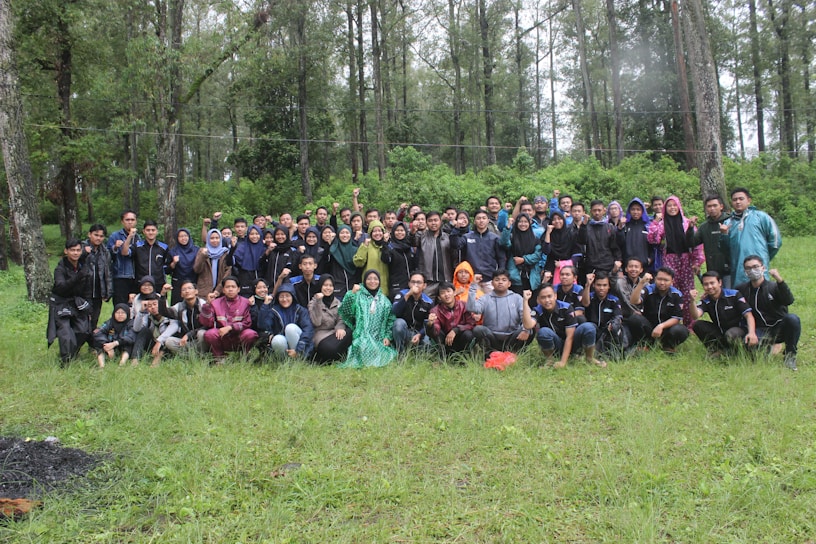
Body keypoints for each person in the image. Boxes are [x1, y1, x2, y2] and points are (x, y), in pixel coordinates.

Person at [647, 195, 704, 326]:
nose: (672, 208)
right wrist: (655, 223)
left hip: (686, 259)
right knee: (671, 289)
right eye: (669, 206)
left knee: (687, 291)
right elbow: (653, 239)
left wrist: (697, 262)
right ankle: (672, 321)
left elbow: (696, 244)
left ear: (679, 207)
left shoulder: (686, 222)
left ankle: (689, 324)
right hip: (669, 259)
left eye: (674, 205)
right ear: (665, 208)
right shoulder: (662, 224)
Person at [736, 255, 800, 370]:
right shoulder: (742, 289)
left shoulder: (774, 287)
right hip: (758, 330)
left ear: (763, 268)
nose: (752, 270)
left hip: (778, 328)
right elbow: (727, 298)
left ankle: (790, 355)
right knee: (755, 355)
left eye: (755, 267)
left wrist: (780, 280)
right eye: (748, 268)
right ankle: (769, 347)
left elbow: (789, 300)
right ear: (745, 271)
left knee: (793, 319)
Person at [523, 284, 605, 369]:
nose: (547, 300)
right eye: (543, 297)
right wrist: (525, 301)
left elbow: (570, 337)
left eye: (549, 296)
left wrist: (563, 362)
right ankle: (550, 360)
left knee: (588, 327)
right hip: (556, 344)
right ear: (539, 299)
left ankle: (589, 358)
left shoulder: (566, 307)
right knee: (543, 332)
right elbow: (528, 325)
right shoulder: (537, 310)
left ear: (555, 296)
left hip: (573, 342)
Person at [721, 187, 782, 286]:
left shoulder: (761, 217)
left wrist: (764, 257)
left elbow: (775, 241)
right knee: (740, 296)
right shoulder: (728, 222)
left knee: (761, 293)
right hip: (738, 269)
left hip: (758, 266)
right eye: (735, 200)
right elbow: (725, 250)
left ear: (749, 201)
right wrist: (724, 234)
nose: (738, 202)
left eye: (741, 199)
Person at [338, 270, 397, 368]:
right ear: (364, 281)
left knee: (385, 353)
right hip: (362, 335)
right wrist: (351, 294)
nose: (372, 281)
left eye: (375, 279)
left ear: (379, 281)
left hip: (379, 337)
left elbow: (390, 320)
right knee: (362, 346)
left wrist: (387, 336)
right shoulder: (358, 296)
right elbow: (345, 311)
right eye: (369, 279)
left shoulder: (385, 300)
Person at [47, 239, 93, 365]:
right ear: (66, 251)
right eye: (72, 250)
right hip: (60, 302)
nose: (75, 253)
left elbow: (87, 289)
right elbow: (61, 287)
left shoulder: (83, 266)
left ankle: (71, 354)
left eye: (78, 250)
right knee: (65, 332)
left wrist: (89, 305)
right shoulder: (60, 268)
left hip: (77, 301)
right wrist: (78, 277)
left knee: (83, 331)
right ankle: (66, 363)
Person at [466, 269, 533, 356]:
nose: (500, 282)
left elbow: (526, 317)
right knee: (478, 329)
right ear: (492, 283)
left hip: (512, 336)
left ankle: (515, 351)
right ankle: (490, 351)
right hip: (492, 337)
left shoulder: (517, 298)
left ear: (509, 283)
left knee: (530, 328)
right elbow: (471, 308)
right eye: (497, 280)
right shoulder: (486, 298)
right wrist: (473, 286)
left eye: (504, 280)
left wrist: (525, 330)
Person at [690, 271, 757, 356]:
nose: (709, 287)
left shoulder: (734, 295)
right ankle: (717, 350)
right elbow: (695, 316)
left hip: (738, 330)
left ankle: (735, 352)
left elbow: (748, 315)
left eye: (712, 283)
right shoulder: (706, 300)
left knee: (730, 334)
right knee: (697, 325)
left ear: (720, 282)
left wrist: (752, 333)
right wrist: (691, 301)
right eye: (706, 284)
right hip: (720, 331)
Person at [628, 267, 690, 354]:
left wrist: (661, 326)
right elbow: (633, 301)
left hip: (666, 328)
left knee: (682, 330)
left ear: (672, 282)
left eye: (666, 280)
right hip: (649, 327)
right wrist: (641, 282)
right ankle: (646, 344)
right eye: (659, 279)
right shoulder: (649, 289)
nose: (662, 283)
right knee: (634, 318)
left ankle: (668, 346)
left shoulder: (677, 294)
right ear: (655, 279)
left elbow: (676, 318)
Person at [200, 276, 259, 363]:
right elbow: (207, 323)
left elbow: (247, 323)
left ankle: (244, 357)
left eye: (233, 287)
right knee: (210, 334)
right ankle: (219, 358)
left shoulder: (245, 302)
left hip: (238, 335)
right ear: (223, 290)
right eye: (227, 287)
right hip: (222, 336)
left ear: (238, 289)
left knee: (250, 334)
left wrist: (231, 327)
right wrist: (208, 305)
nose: (230, 289)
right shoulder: (215, 303)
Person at [259, 283, 314, 359]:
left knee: (290, 328)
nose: (284, 299)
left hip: (299, 346)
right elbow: (262, 325)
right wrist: (265, 305)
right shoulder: (274, 310)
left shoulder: (300, 310)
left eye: (287, 296)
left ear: (293, 296)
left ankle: (297, 357)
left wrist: (298, 349)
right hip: (282, 341)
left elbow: (308, 330)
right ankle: (284, 361)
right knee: (277, 339)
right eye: (281, 296)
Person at [686, 196, 731, 288]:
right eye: (709, 206)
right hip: (713, 269)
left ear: (721, 206)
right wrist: (690, 229)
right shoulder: (704, 227)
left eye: (715, 205)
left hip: (730, 269)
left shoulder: (730, 222)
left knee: (729, 296)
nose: (712, 209)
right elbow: (692, 243)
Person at [581, 272, 628, 359]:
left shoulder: (614, 300)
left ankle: (614, 352)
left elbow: (618, 317)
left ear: (609, 286)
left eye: (604, 285)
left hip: (607, 331)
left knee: (617, 327)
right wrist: (588, 285)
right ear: (594, 285)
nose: (601, 288)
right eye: (598, 285)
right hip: (592, 330)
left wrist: (613, 324)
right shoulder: (590, 296)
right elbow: (585, 303)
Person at [308, 275, 352, 364]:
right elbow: (316, 322)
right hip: (321, 336)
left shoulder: (337, 302)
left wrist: (340, 328)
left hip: (334, 333)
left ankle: (331, 358)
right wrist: (319, 301)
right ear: (320, 286)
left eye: (330, 285)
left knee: (351, 331)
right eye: (325, 285)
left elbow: (341, 318)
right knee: (329, 348)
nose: (328, 288)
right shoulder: (313, 302)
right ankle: (334, 356)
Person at [460, 209, 506, 292]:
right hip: (471, 279)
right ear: (474, 221)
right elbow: (457, 247)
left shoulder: (495, 238)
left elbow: (501, 259)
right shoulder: (466, 237)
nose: (481, 220)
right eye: (478, 218)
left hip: (490, 279)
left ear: (488, 220)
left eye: (484, 218)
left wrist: (499, 277)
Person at [426, 281, 476, 358]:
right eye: (443, 293)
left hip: (460, 337)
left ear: (454, 292)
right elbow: (435, 332)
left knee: (468, 334)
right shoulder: (435, 311)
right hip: (446, 341)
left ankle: (464, 357)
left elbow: (471, 324)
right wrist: (430, 325)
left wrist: (456, 330)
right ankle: (443, 357)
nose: (446, 295)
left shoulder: (464, 305)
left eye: (448, 291)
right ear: (439, 297)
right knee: (438, 334)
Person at [159, 280, 207, 355]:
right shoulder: (179, 307)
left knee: (201, 333)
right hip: (188, 342)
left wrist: (189, 335)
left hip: (201, 341)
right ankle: (191, 357)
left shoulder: (203, 305)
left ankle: (203, 356)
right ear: (181, 294)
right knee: (169, 341)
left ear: (196, 291)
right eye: (184, 290)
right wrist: (163, 295)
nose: (187, 291)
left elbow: (207, 326)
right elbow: (164, 312)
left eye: (189, 288)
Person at [577, 200, 622, 278]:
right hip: (591, 266)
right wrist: (583, 226)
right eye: (594, 210)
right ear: (591, 211)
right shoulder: (586, 227)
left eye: (599, 210)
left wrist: (618, 261)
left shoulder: (610, 227)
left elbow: (615, 247)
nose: (597, 213)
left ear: (604, 211)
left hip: (608, 265)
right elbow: (581, 241)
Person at [391, 272, 434, 352]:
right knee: (399, 323)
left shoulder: (428, 302)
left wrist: (420, 334)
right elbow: (395, 311)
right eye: (413, 282)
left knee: (427, 345)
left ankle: (413, 351)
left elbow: (427, 323)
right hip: (404, 330)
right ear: (409, 283)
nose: (415, 285)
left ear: (424, 285)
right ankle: (400, 353)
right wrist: (407, 296)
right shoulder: (402, 294)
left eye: (418, 282)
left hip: (418, 333)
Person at [500, 213, 543, 293]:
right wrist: (508, 227)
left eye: (525, 222)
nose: (523, 224)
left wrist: (524, 259)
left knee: (531, 303)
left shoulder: (535, 239)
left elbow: (538, 255)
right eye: (520, 222)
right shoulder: (512, 237)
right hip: (515, 277)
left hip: (532, 276)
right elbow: (503, 243)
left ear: (529, 223)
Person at [414, 211, 454, 298]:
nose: (433, 223)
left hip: (446, 279)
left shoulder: (448, 237)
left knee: (446, 307)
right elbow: (412, 241)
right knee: (426, 306)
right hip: (428, 280)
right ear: (426, 223)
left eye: (436, 220)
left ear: (440, 221)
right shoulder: (421, 237)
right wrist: (413, 231)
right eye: (430, 220)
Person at [131, 292, 177, 367]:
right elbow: (136, 329)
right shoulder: (148, 316)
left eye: (155, 304)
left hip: (166, 344)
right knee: (144, 330)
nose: (152, 307)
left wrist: (159, 341)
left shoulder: (169, 314)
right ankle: (135, 359)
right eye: (149, 306)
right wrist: (141, 311)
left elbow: (174, 328)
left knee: (169, 337)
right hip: (153, 342)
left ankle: (158, 359)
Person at [82, 223, 113, 331]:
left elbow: (107, 272)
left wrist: (108, 291)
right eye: (96, 235)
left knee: (95, 317)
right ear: (89, 234)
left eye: (101, 236)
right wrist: (84, 253)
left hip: (99, 289)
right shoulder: (81, 248)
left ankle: (91, 341)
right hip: (84, 289)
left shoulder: (105, 252)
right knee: (84, 317)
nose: (98, 238)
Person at [107, 210, 140, 305]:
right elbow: (107, 256)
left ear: (136, 221)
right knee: (120, 306)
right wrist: (115, 247)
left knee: (134, 307)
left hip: (134, 276)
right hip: (120, 276)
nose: (130, 222)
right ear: (122, 221)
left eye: (132, 220)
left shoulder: (138, 237)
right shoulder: (115, 236)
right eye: (127, 220)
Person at [93, 303, 136, 368]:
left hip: (122, 343)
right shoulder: (110, 322)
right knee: (99, 344)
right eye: (117, 312)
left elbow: (130, 337)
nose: (120, 315)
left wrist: (115, 343)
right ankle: (101, 365)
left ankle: (122, 363)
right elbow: (98, 333)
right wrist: (107, 344)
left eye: (123, 313)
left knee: (128, 345)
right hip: (110, 343)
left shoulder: (131, 323)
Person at [193, 229, 232, 299]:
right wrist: (203, 256)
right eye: (212, 238)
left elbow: (228, 272)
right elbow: (197, 270)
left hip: (221, 291)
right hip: (204, 290)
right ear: (208, 239)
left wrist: (218, 290)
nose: (215, 240)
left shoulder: (225, 253)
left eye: (217, 238)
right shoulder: (202, 251)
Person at [381, 221, 415, 299]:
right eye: (397, 230)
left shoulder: (409, 247)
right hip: (396, 286)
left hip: (411, 285)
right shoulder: (390, 247)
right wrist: (384, 244)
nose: (399, 232)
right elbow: (385, 259)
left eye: (402, 230)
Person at [130, 220, 170, 287]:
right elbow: (125, 253)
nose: (150, 232)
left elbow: (166, 265)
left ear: (157, 231)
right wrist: (130, 236)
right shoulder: (137, 246)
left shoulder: (164, 247)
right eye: (148, 230)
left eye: (153, 230)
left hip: (158, 283)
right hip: (141, 283)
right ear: (144, 231)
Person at [353, 220, 389, 292]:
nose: (377, 233)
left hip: (384, 286)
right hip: (369, 286)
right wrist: (364, 247)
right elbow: (358, 263)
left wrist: (385, 244)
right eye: (374, 231)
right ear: (370, 233)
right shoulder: (366, 245)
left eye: (379, 231)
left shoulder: (387, 245)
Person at [326, 225, 361, 299]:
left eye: (347, 233)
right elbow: (326, 264)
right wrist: (328, 245)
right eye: (342, 233)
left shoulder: (356, 250)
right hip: (338, 288)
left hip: (353, 288)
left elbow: (359, 269)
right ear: (338, 235)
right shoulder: (333, 250)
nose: (345, 235)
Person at [542, 210, 576, 285]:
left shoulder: (570, 233)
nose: (557, 221)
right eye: (554, 219)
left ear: (563, 220)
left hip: (568, 268)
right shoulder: (548, 233)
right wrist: (548, 233)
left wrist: (563, 263)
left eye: (559, 218)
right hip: (551, 267)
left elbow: (576, 253)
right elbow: (546, 251)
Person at [230, 225, 265, 297]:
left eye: (257, 234)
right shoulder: (241, 248)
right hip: (245, 284)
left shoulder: (264, 248)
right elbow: (231, 262)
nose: (254, 236)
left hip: (262, 285)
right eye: (251, 234)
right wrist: (232, 248)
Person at [617, 198, 652, 271]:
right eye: (633, 209)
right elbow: (619, 243)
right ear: (629, 211)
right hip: (627, 266)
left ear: (642, 211)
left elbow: (653, 245)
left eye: (638, 209)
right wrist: (620, 229)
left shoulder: (648, 226)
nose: (635, 212)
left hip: (643, 265)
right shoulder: (625, 225)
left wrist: (650, 259)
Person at [167, 228, 199, 304]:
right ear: (177, 238)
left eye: (185, 236)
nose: (183, 238)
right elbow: (167, 270)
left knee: (193, 305)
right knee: (178, 307)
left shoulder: (196, 250)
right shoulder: (173, 252)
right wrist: (174, 263)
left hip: (193, 281)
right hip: (178, 283)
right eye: (180, 236)